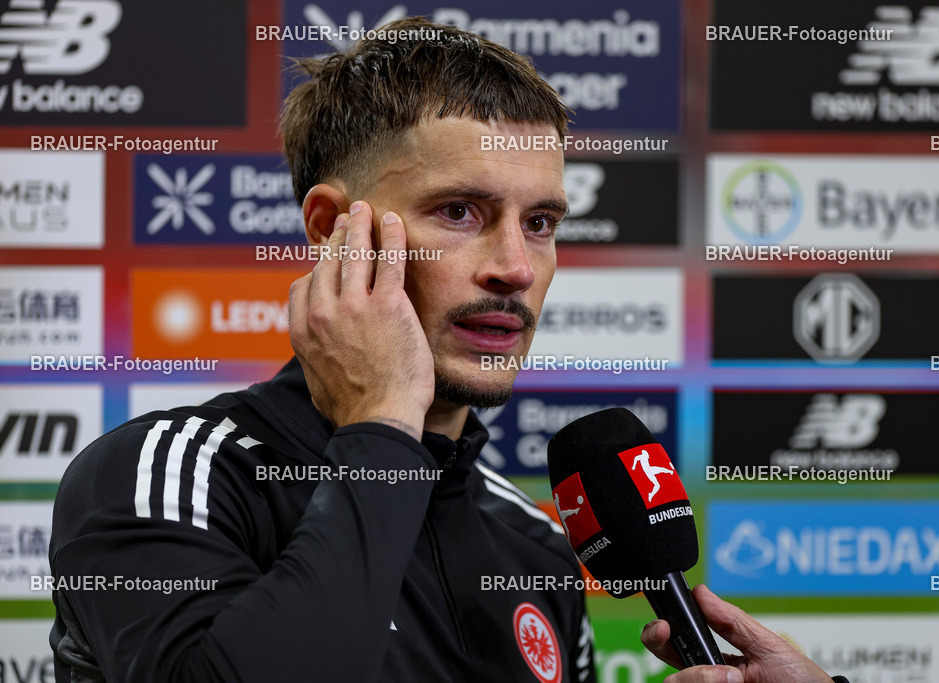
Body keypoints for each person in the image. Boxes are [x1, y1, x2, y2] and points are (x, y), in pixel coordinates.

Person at [48, 17, 846, 683]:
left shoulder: (532, 543)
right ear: (333, 231)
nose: (516, 267)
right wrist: (387, 418)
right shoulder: (167, 471)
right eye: (460, 211)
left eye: (540, 222)